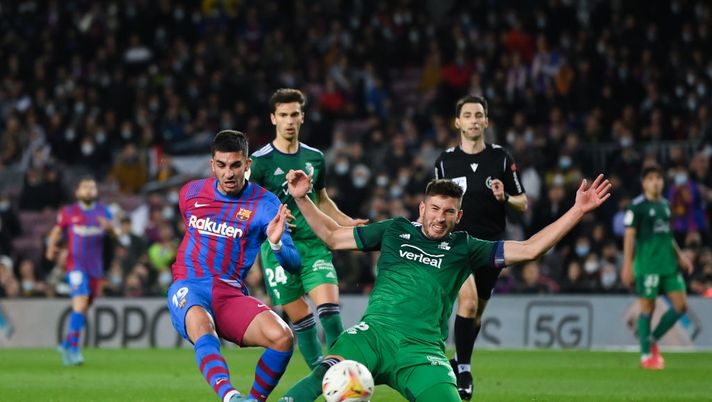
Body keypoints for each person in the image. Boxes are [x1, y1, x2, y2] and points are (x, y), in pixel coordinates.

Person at [279, 170, 610, 402]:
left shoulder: (465, 246)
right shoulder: (394, 230)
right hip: (373, 335)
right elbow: (334, 237)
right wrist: (303, 198)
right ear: (422, 208)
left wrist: (577, 210)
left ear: (459, 216)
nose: (439, 218)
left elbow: (530, 249)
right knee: (320, 378)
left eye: (448, 212)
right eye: (434, 209)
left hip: (422, 351)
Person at [167, 130, 301, 402]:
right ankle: (230, 396)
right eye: (222, 165)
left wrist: (275, 245)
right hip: (189, 285)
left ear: (247, 165)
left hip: (229, 294)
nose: (229, 173)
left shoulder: (265, 204)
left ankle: (253, 400)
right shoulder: (190, 193)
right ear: (212, 164)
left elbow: (294, 264)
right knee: (202, 325)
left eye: (236, 165)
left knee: (282, 337)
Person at [249, 88, 367, 369]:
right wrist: (270, 221)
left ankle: (345, 375)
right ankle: (323, 380)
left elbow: (322, 200)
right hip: (276, 249)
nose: (289, 120)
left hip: (314, 244)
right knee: (303, 322)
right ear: (273, 118)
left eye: (294, 114)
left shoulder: (315, 158)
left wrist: (346, 222)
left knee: (329, 312)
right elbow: (246, 207)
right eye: (283, 115)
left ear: (302, 117)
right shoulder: (260, 161)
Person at [433, 94, 527, 398]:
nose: (474, 120)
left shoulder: (501, 158)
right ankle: (464, 372)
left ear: (486, 121)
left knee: (475, 313)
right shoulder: (445, 161)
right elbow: (435, 203)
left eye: (479, 115)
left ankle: (458, 360)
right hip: (458, 244)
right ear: (458, 122)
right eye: (468, 115)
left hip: (491, 246)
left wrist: (505, 198)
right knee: (468, 302)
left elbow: (523, 203)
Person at [621, 165, 693, 370]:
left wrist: (681, 256)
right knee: (647, 308)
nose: (656, 182)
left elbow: (668, 235)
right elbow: (629, 237)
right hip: (647, 266)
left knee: (681, 306)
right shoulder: (637, 207)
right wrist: (628, 265)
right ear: (644, 183)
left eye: (659, 178)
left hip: (668, 265)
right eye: (651, 178)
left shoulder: (666, 205)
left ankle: (651, 340)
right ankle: (646, 356)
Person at [46, 176, 114, 366]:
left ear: (96, 191)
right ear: (77, 192)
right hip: (75, 265)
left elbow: (116, 234)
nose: (89, 191)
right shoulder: (69, 212)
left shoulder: (104, 211)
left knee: (85, 306)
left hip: (95, 269)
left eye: (92, 188)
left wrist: (111, 228)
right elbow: (57, 231)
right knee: (81, 300)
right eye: (85, 188)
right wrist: (51, 246)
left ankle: (67, 342)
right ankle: (74, 349)